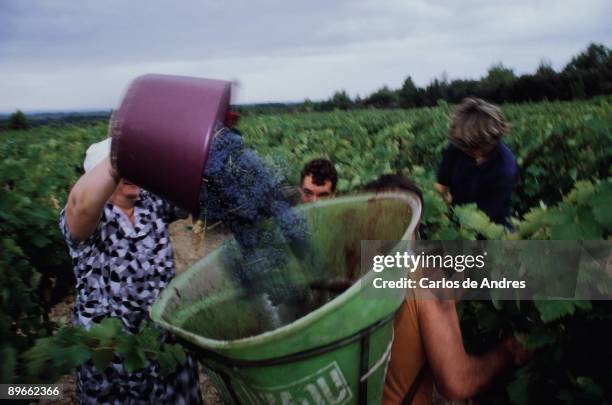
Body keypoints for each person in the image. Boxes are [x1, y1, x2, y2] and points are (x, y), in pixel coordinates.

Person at [60, 137, 202, 404]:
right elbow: (80, 204)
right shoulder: (88, 222)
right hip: (114, 360)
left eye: (136, 167)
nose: (131, 173)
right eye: (122, 169)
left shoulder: (151, 204)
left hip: (165, 347)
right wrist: (120, 157)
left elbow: (189, 193)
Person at [364, 174, 529, 404]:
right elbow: (458, 384)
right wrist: (507, 351)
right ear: (417, 219)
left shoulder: (353, 276)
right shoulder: (428, 281)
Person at [434, 98, 518, 227]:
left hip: (492, 227)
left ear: (493, 139)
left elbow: (488, 216)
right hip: (456, 219)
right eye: (468, 148)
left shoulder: (505, 167)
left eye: (478, 147)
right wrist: (441, 214)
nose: (473, 153)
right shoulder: (456, 148)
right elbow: (441, 186)